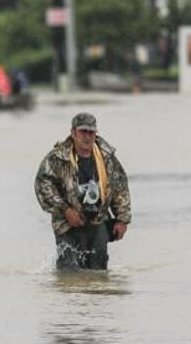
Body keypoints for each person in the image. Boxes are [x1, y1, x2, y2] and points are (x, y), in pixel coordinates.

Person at [34, 112, 131, 271]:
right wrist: (65, 210)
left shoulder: (107, 157)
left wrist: (122, 219)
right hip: (67, 224)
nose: (87, 136)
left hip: (97, 221)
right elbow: (43, 184)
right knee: (68, 272)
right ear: (73, 133)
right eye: (83, 131)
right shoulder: (57, 158)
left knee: (98, 273)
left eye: (91, 132)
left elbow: (120, 187)